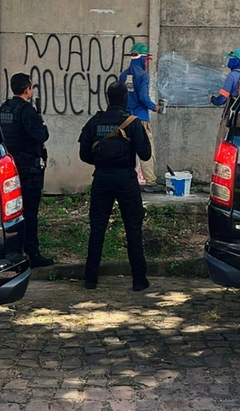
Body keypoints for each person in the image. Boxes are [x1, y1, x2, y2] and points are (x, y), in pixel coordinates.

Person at [78, 81, 152, 292]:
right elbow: (146, 154)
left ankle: (90, 278)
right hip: (126, 180)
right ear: (125, 99)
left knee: (97, 228)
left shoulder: (95, 121)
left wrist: (103, 161)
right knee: (133, 228)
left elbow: (84, 155)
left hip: (102, 179)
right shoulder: (132, 122)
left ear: (107, 98)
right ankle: (139, 279)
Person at [0, 73, 54, 267]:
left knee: (11, 213)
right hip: (28, 168)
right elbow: (40, 135)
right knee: (30, 212)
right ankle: (32, 253)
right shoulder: (27, 111)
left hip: (10, 169)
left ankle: (12, 251)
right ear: (28, 89)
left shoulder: (4, 109)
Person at [119, 42, 161, 192]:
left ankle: (127, 180)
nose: (146, 63)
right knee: (147, 149)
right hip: (141, 119)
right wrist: (154, 107)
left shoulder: (123, 75)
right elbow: (143, 97)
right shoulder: (143, 75)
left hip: (125, 119)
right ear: (142, 58)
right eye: (146, 59)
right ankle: (150, 181)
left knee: (127, 149)